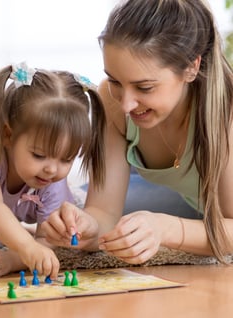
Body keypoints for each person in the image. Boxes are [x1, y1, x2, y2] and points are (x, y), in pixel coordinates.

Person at [42, 0, 233, 265]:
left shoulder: (226, 113)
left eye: (144, 88)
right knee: (82, 209)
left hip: (214, 211)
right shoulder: (110, 99)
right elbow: (104, 213)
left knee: (143, 220)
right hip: (186, 200)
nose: (125, 104)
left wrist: (165, 229)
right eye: (116, 81)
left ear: (191, 67)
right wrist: (88, 227)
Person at [0, 62, 106, 278]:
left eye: (66, 159)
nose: (52, 169)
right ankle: (17, 231)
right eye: (39, 155)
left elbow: (46, 239)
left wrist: (16, 258)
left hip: (24, 196)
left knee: (66, 226)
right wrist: (26, 246)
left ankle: (20, 228)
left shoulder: (50, 177)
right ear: (8, 135)